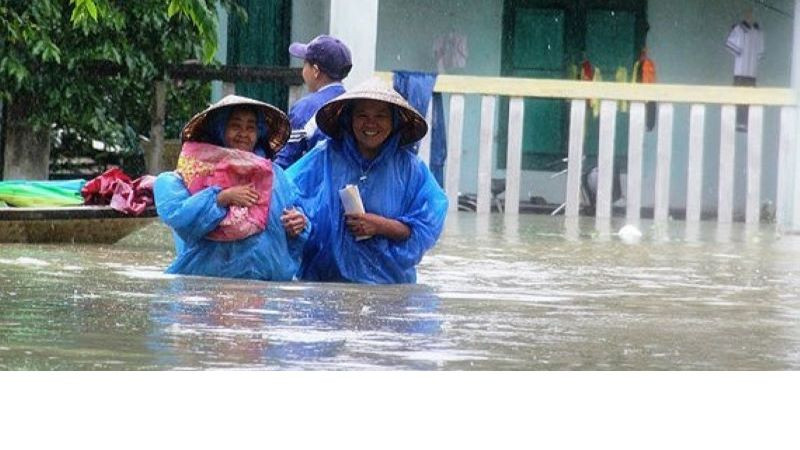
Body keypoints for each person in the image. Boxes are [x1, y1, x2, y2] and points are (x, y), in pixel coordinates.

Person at [286, 78, 448, 284]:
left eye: (381, 116)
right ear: (349, 119)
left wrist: (381, 226)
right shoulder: (324, 156)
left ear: (394, 121)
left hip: (388, 289)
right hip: (324, 285)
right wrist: (298, 220)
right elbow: (285, 192)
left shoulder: (411, 169)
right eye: (362, 115)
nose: (371, 123)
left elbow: (426, 227)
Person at [154, 95, 309, 281]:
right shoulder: (195, 174)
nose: (243, 133)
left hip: (267, 289)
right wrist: (221, 198)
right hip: (208, 285)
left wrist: (299, 224)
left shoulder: (277, 176)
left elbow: (295, 215)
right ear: (220, 129)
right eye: (235, 126)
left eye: (251, 127)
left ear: (259, 132)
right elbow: (179, 218)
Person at [274, 34, 352, 169]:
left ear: (315, 71)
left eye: (305, 63)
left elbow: (286, 160)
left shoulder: (305, 108)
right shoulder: (351, 103)